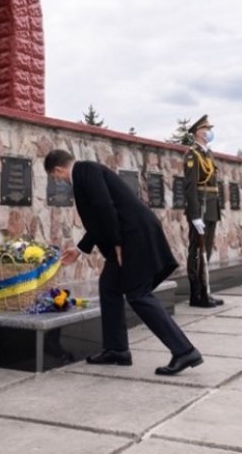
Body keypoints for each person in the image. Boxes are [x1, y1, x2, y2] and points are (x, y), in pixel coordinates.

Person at [44, 149, 203, 375]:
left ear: (58, 170)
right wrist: (80, 249)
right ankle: (117, 349)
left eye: (55, 177)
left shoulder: (84, 171)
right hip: (128, 234)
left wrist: (117, 243)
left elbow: (104, 206)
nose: (58, 181)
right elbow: (100, 217)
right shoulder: (85, 173)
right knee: (109, 286)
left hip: (132, 236)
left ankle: (184, 350)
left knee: (138, 294)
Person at [183, 114, 223, 307]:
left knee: (206, 251)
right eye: (206, 129)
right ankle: (196, 294)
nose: (209, 132)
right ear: (198, 132)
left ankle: (205, 291)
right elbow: (190, 187)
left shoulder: (208, 153)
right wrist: (194, 215)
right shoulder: (193, 154)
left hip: (211, 207)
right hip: (201, 207)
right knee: (196, 251)